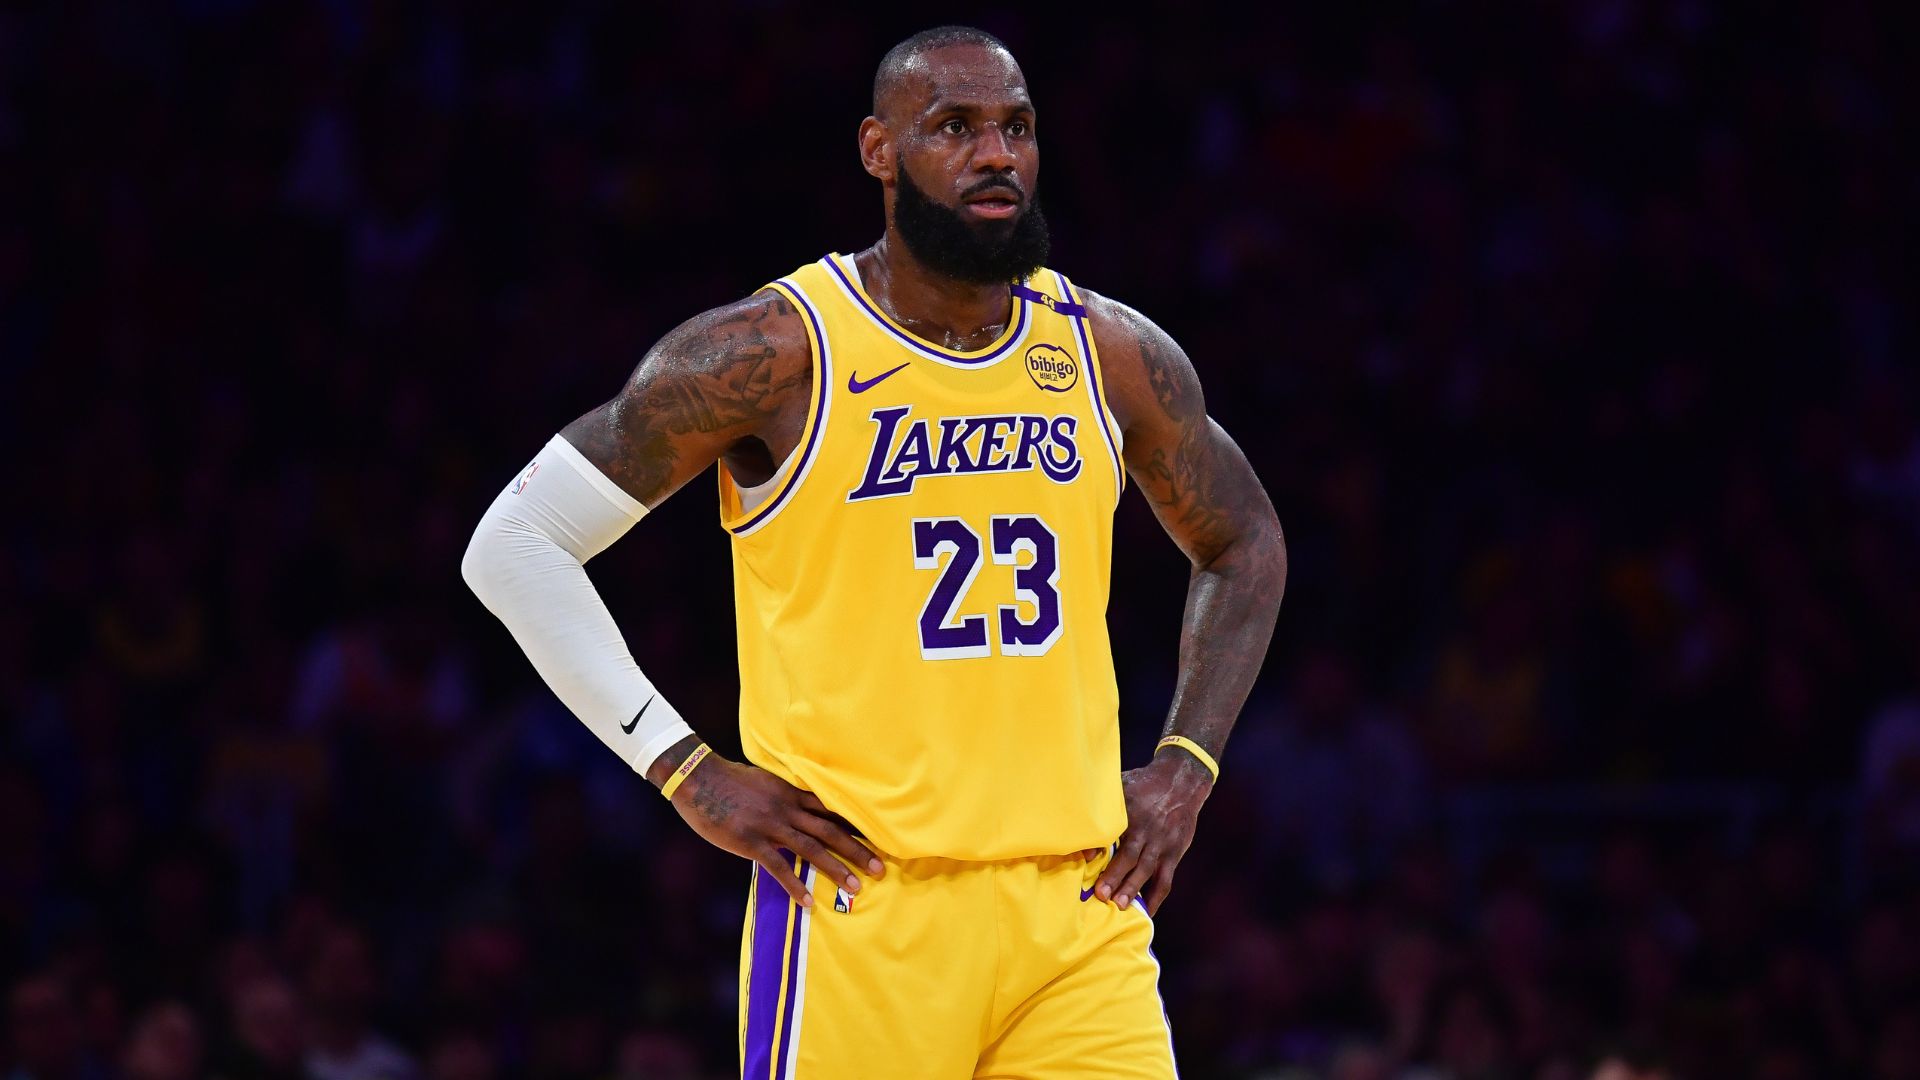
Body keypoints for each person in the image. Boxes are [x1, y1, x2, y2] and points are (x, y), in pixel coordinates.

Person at [462, 24, 1285, 1078]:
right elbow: (516, 544)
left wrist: (1188, 767)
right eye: (954, 128)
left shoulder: (1108, 351)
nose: (997, 155)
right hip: (864, 907)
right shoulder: (774, 351)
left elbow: (1243, 535)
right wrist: (682, 769)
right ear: (877, 150)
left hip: (1079, 913)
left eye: (1017, 128)